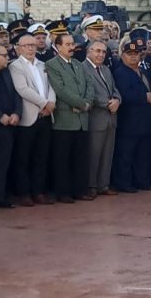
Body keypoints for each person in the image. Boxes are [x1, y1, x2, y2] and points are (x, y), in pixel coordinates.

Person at [45, 33, 95, 203]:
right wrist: (81, 103)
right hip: (64, 120)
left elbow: (89, 85)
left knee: (80, 157)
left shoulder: (78, 64)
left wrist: (86, 103)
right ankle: (63, 192)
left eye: (72, 44)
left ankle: (79, 189)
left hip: (82, 119)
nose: (71, 47)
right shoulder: (52, 65)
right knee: (63, 159)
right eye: (67, 44)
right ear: (58, 47)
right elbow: (60, 89)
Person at [9, 34, 55, 206]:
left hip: (45, 116)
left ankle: (39, 191)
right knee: (23, 158)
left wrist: (51, 103)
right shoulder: (16, 66)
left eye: (33, 45)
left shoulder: (43, 65)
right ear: (19, 48)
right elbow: (23, 89)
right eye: (26, 45)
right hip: (28, 118)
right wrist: (44, 103)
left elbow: (51, 87)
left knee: (41, 156)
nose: (30, 48)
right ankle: (24, 192)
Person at [112, 38, 151, 192]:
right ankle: (124, 183)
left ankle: (142, 181)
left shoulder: (142, 71)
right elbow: (124, 93)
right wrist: (144, 97)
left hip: (145, 121)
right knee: (126, 155)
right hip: (129, 121)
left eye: (136, 53)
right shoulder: (120, 72)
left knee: (142, 155)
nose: (133, 57)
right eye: (129, 54)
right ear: (122, 55)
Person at [82, 40, 122, 197]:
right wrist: (107, 103)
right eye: (97, 51)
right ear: (89, 51)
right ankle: (91, 185)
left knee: (107, 154)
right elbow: (87, 92)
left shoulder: (106, 69)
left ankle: (103, 184)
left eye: (103, 52)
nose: (100, 55)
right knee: (93, 154)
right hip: (95, 117)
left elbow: (114, 89)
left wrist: (117, 100)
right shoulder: (82, 68)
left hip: (111, 118)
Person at [0, 43, 22, 208]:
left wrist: (17, 113)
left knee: (2, 163)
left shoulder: (6, 73)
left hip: (8, 125)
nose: (7, 58)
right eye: (4, 55)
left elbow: (16, 94)